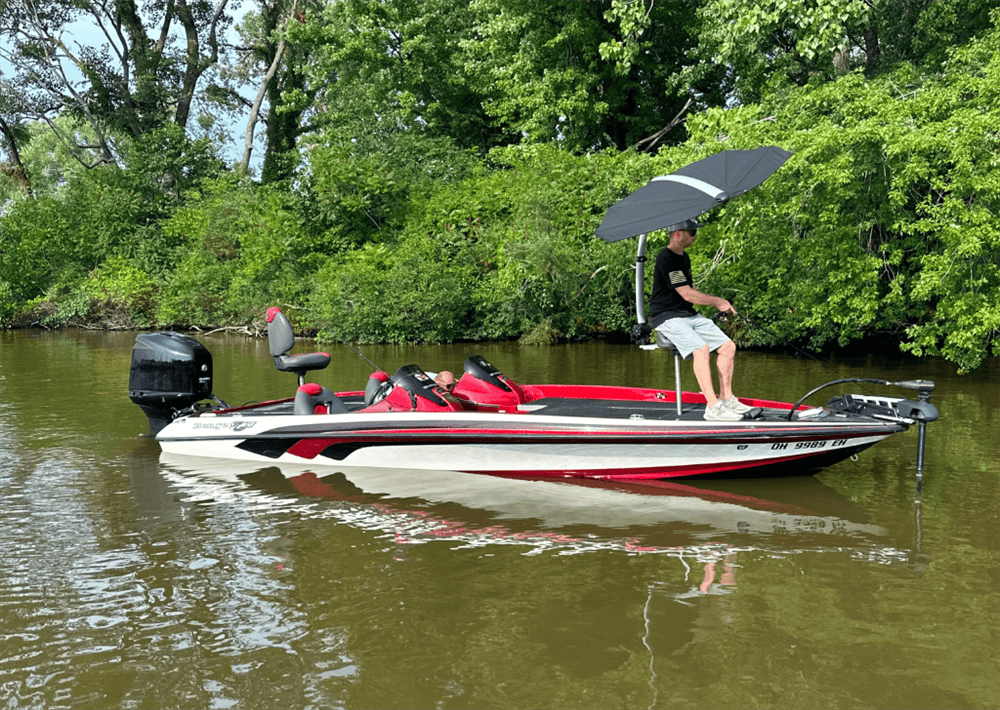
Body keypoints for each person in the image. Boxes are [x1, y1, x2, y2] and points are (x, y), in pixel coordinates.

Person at [649, 219, 752, 422]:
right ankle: (712, 407)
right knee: (701, 349)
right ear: (678, 233)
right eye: (693, 232)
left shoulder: (683, 258)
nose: (695, 236)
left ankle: (727, 399)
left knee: (728, 347)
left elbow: (688, 298)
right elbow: (687, 294)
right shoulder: (665, 258)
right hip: (666, 316)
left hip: (688, 314)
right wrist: (718, 302)